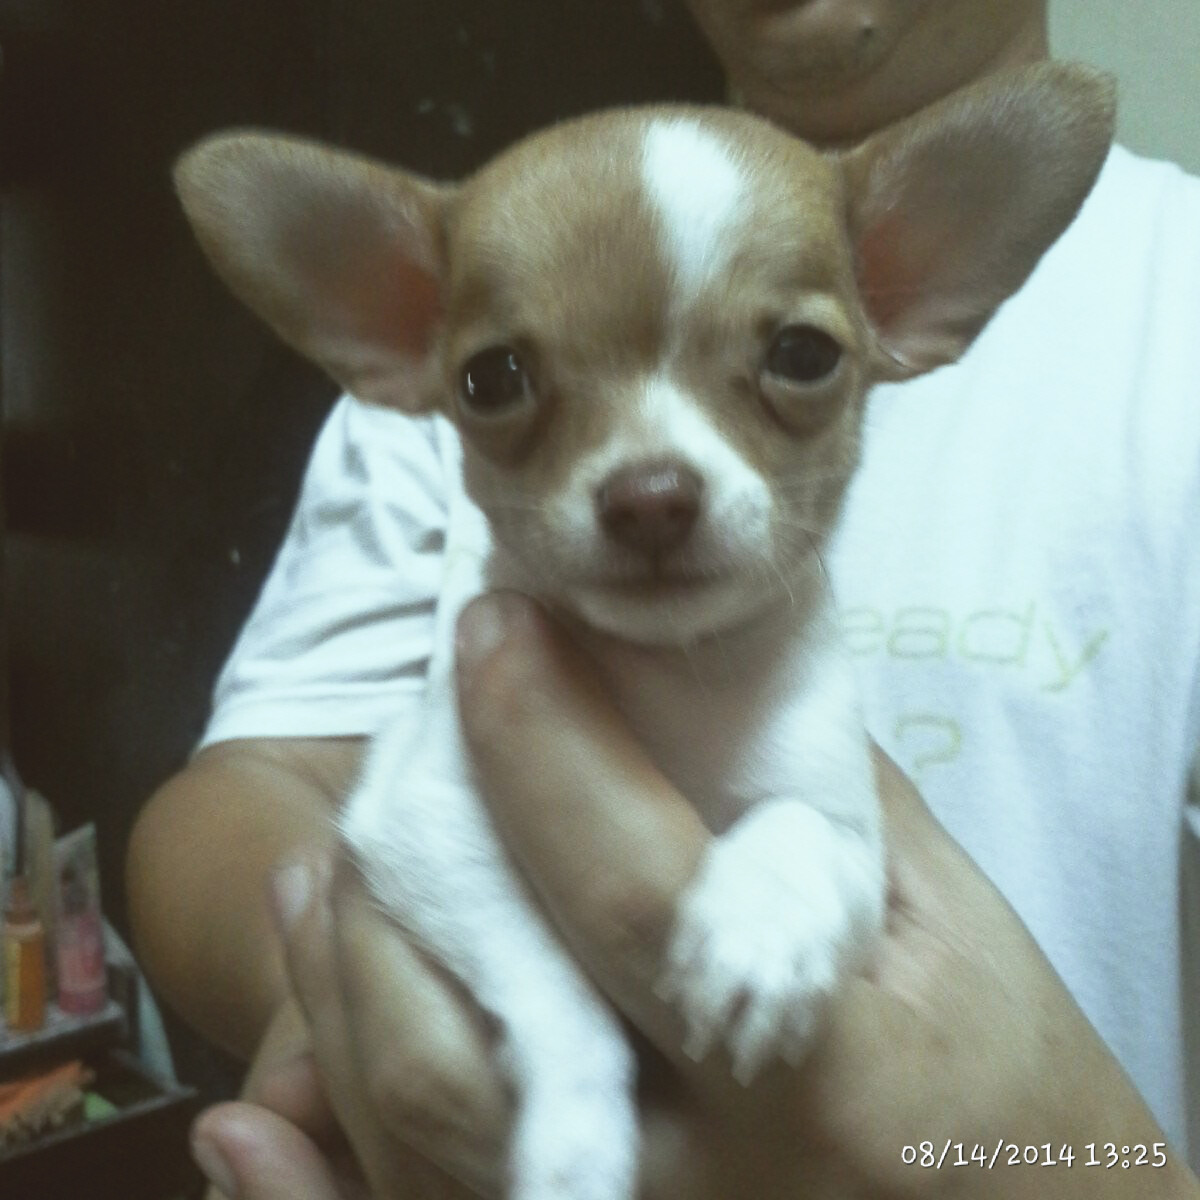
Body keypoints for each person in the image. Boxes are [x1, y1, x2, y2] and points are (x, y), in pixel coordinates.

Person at [125, 1, 1200, 1197]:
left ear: (911, 283)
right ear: (408, 343)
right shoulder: (488, 277)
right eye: (503, 383)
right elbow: (250, 795)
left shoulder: (1174, 318)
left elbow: (824, 848)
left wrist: (1084, 1166)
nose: (649, 485)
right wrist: (380, 1013)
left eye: (794, 358)